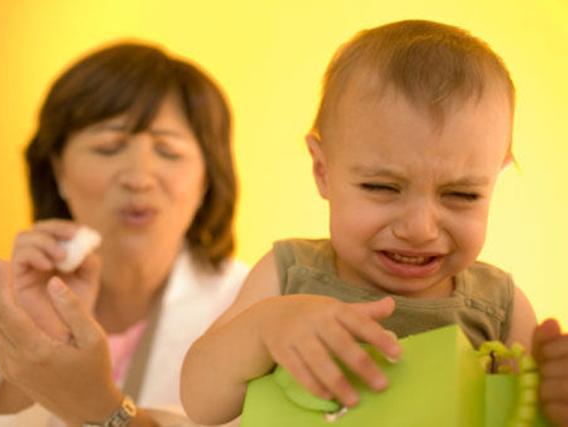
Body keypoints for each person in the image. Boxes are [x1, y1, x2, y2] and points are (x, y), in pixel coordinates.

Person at [180, 20, 568, 426]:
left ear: (495, 179)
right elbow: (199, 403)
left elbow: (523, 417)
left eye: (462, 195)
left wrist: (552, 400)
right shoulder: (290, 274)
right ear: (322, 169)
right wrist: (265, 329)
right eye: (382, 187)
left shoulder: (499, 307)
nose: (419, 229)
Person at [0, 42, 248, 426]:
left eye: (168, 151)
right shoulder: (15, 295)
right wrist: (32, 343)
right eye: (109, 147)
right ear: (59, 172)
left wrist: (100, 406)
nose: (139, 178)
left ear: (207, 179)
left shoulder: (247, 302)